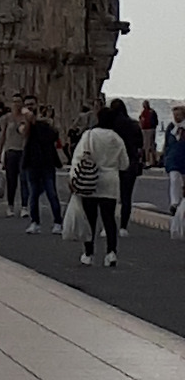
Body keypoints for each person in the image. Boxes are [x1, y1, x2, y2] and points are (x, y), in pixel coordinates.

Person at [70, 106, 129, 266]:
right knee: (109, 218)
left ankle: (88, 253)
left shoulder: (89, 135)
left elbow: (78, 157)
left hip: (90, 179)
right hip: (110, 181)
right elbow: (124, 164)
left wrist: (73, 178)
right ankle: (111, 252)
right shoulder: (117, 139)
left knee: (90, 219)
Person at [21, 104, 65, 233]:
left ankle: (56, 222)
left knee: (50, 193)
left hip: (45, 164)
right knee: (35, 194)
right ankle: (36, 222)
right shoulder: (30, 128)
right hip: (34, 164)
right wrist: (30, 122)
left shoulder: (48, 128)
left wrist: (43, 123)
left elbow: (54, 136)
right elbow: (23, 133)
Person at [107, 98, 142, 231]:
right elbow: (140, 144)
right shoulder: (133, 124)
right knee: (126, 196)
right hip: (130, 162)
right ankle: (123, 227)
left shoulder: (110, 126)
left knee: (109, 197)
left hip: (112, 163)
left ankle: (108, 225)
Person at [0, 93, 28, 217]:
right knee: (11, 181)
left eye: (19, 101)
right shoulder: (6, 118)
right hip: (11, 151)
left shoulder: (26, 117)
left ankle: (24, 206)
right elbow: (2, 136)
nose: (16, 104)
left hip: (23, 151)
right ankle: (10, 205)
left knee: (24, 180)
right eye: (14, 101)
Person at [164, 104, 185, 212]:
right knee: (174, 179)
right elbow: (166, 143)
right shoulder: (171, 127)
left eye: (178, 115)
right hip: (173, 158)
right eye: (174, 115)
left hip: (183, 157)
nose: (176, 117)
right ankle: (174, 203)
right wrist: (165, 157)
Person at [139, 100, 160, 167]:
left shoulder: (146, 112)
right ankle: (154, 160)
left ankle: (147, 161)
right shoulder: (150, 112)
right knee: (151, 145)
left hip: (148, 129)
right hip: (149, 129)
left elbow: (141, 120)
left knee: (147, 146)